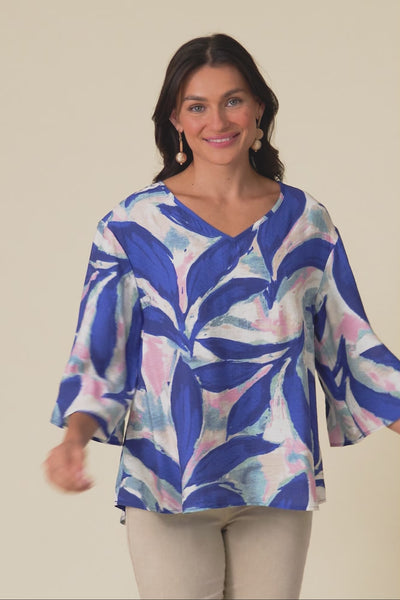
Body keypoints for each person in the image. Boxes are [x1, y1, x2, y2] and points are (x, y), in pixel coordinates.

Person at [45, 33, 400, 600]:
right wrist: (74, 440)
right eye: (197, 106)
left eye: (233, 100)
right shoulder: (132, 226)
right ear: (176, 120)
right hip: (168, 481)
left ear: (258, 107)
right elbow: (100, 354)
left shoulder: (306, 221)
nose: (218, 120)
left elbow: (349, 344)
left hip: (277, 478)